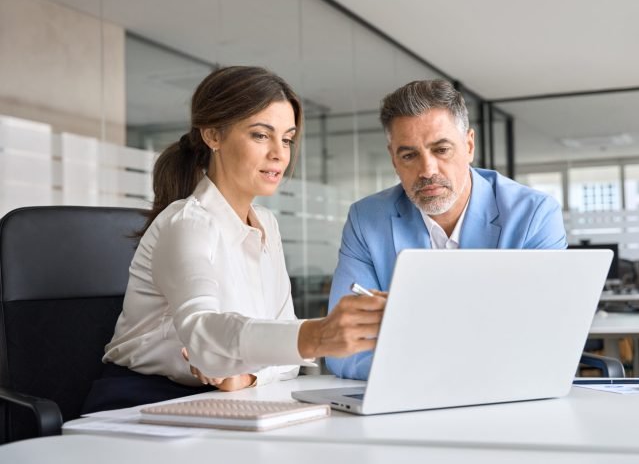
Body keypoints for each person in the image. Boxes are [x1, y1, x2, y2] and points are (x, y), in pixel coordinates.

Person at [83, 66, 386, 412]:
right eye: (261, 135)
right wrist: (314, 336)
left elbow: (286, 361)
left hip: (226, 398)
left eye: (286, 139)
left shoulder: (266, 224)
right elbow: (201, 331)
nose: (279, 154)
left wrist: (247, 378)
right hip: (139, 403)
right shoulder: (187, 223)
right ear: (213, 135)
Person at [326, 79, 567, 380]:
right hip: (404, 402)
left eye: (441, 149)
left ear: (468, 145)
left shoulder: (533, 215)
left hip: (506, 397)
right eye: (409, 155)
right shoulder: (367, 220)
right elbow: (343, 347)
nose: (427, 170)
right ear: (393, 159)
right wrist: (441, 375)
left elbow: (545, 335)